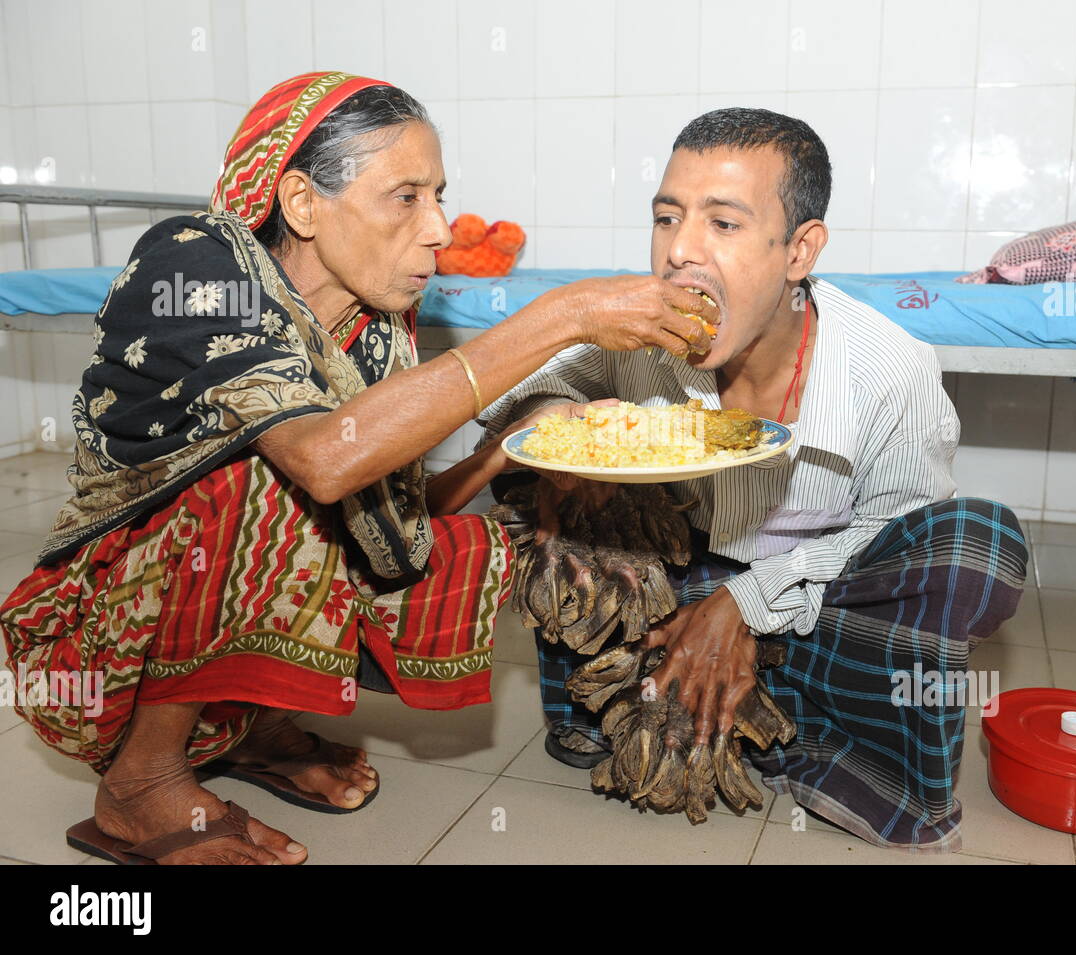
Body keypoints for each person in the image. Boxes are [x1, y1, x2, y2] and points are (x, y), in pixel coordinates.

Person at [0, 71, 716, 865]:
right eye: (405, 197)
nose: (440, 228)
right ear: (302, 204)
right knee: (268, 477)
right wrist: (563, 317)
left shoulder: (374, 334)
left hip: (202, 645)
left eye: (439, 195)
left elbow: (393, 522)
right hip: (91, 653)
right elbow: (325, 460)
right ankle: (139, 785)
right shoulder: (195, 264)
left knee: (475, 532)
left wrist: (502, 449)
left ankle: (252, 726)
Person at [479, 108, 1028, 851]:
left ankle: (734, 703)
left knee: (977, 543)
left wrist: (749, 602)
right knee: (544, 477)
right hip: (679, 586)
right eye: (666, 217)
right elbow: (519, 404)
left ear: (800, 250)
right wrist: (570, 425)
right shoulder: (635, 331)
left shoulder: (888, 366)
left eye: (724, 225)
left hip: (817, 601)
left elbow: (895, 526)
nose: (680, 252)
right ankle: (705, 709)